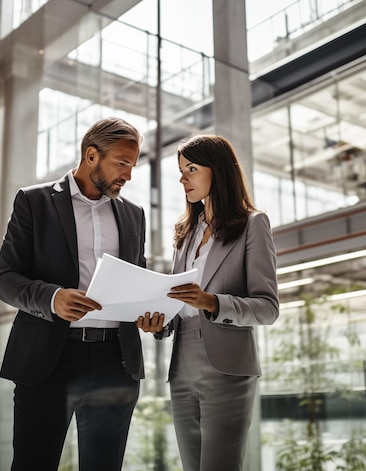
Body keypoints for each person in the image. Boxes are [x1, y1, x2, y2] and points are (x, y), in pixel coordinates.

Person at [0, 117, 160, 471]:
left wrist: (152, 313)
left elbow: (137, 278)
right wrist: (53, 298)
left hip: (115, 361)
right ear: (91, 156)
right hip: (49, 360)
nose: (128, 175)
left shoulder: (133, 215)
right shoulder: (34, 201)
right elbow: (6, 278)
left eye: (133, 165)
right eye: (122, 163)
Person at [138, 134, 279, 471]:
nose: (182, 178)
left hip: (226, 365)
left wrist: (212, 302)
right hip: (181, 362)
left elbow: (267, 307)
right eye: (181, 170)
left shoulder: (252, 225)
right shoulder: (184, 233)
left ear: (217, 171)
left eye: (191, 169)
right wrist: (159, 323)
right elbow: (177, 302)